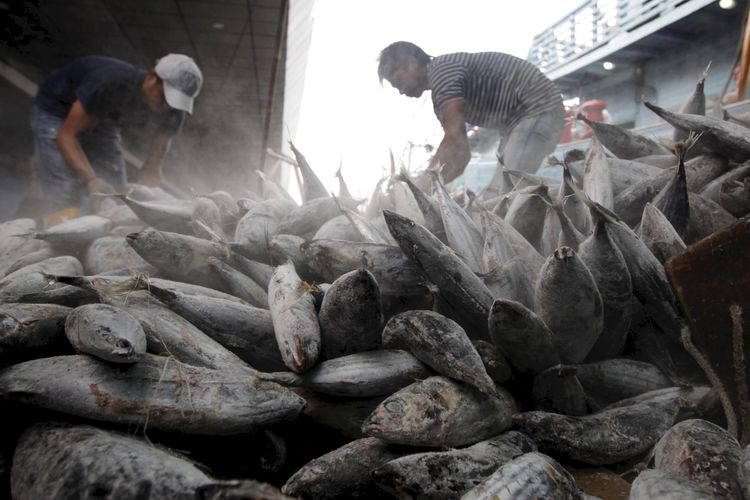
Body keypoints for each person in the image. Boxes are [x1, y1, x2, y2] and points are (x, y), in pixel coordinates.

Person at [377, 41, 564, 195]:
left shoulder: (442, 73)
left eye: (399, 82)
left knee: (506, 193)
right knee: (493, 196)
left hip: (538, 107)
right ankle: (567, 190)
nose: (401, 91)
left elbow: (454, 140)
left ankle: (573, 193)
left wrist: (419, 186)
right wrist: (428, 188)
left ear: (412, 63)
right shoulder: (440, 98)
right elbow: (460, 156)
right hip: (516, 124)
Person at [30, 53, 203, 217]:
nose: (166, 106)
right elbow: (66, 137)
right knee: (64, 190)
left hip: (104, 120)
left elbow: (153, 166)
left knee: (118, 194)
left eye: (174, 101)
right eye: (165, 96)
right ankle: (50, 229)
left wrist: (149, 202)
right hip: (57, 111)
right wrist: (92, 181)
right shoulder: (110, 81)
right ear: (151, 77)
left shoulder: (174, 111)